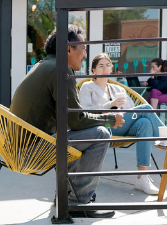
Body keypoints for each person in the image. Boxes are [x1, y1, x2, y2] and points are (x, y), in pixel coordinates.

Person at [10, 26, 122, 218]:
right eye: (83, 49)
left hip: (19, 148)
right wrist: (110, 118)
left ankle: (67, 197)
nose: (85, 55)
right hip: (29, 152)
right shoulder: (61, 71)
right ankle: (79, 202)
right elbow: (76, 120)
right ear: (69, 49)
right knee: (101, 134)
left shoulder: (45, 65)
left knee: (76, 137)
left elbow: (72, 119)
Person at [80, 53, 164, 194]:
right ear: (93, 70)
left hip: (123, 125)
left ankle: (142, 178)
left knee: (144, 122)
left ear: (112, 68)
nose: (105, 68)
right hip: (103, 127)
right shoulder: (87, 87)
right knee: (146, 109)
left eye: (108, 65)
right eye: (101, 66)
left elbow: (130, 110)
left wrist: (122, 110)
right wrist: (110, 105)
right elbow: (85, 113)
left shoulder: (117, 89)